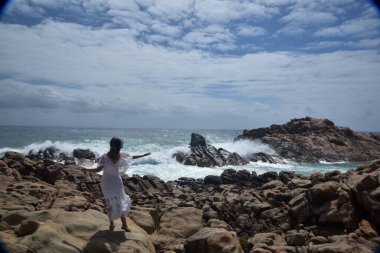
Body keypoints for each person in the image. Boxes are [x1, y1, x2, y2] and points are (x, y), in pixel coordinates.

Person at [81, 137, 151, 232]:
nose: (119, 148)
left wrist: (143, 155)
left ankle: (124, 225)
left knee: (120, 201)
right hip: (106, 183)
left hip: (117, 182)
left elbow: (132, 157)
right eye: (119, 146)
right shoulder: (104, 157)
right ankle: (111, 224)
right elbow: (98, 170)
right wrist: (86, 169)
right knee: (109, 201)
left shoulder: (121, 155)